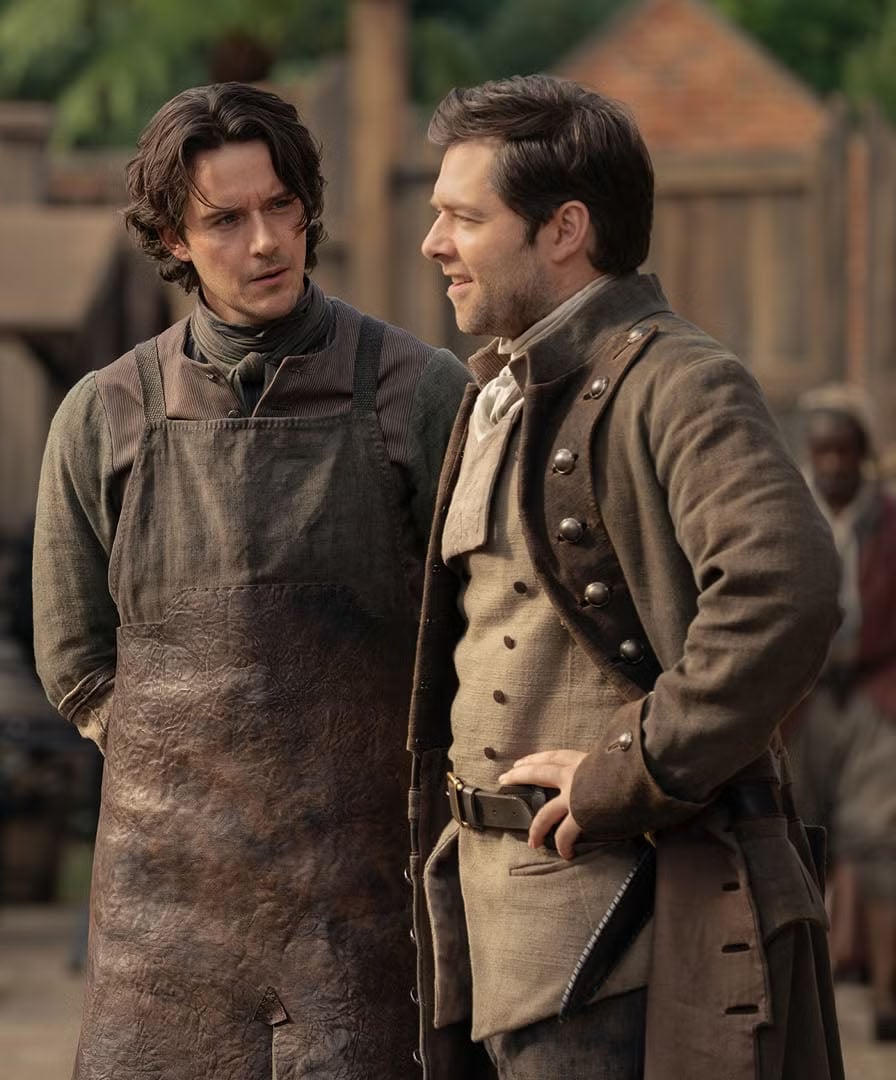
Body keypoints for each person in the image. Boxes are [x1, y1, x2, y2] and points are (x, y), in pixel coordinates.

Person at [32, 81, 469, 1078]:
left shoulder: (419, 392)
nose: (265, 241)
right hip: (166, 904)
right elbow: (73, 658)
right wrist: (193, 768)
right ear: (173, 239)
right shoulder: (103, 418)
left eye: (280, 207)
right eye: (226, 220)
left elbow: (476, 634)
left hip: (367, 888)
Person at [408, 74, 841, 1078]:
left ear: (564, 230)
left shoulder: (682, 381)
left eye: (463, 217)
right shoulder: (494, 394)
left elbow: (786, 587)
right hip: (482, 929)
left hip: (615, 938)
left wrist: (635, 770)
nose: (434, 242)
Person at [787, 387, 896, 1041]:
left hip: (874, 695)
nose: (831, 463)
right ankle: (804, 1003)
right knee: (799, 843)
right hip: (800, 699)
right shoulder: (789, 509)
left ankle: (887, 997)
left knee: (881, 843)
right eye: (821, 450)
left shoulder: (886, 520)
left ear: (862, 455)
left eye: (842, 451)